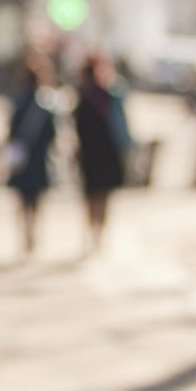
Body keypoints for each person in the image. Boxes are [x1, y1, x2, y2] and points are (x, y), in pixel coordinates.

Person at [72, 50, 130, 250]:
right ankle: (98, 233)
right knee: (103, 195)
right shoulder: (108, 95)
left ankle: (93, 232)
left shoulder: (84, 97)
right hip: (106, 153)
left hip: (91, 154)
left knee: (92, 195)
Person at [4, 52, 57, 255]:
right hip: (39, 160)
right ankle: (33, 235)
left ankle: (25, 236)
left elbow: (10, 130)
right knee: (36, 200)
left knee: (23, 200)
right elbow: (52, 134)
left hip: (22, 160)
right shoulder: (45, 105)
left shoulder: (18, 102)